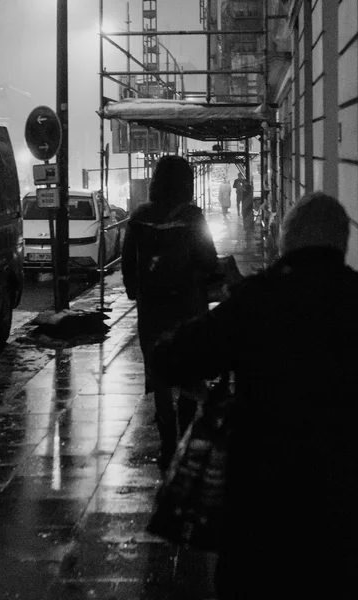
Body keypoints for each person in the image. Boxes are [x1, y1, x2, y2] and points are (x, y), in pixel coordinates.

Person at [154, 191, 358, 599]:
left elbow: (175, 357)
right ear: (341, 244)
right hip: (343, 502)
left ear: (286, 240)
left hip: (264, 506)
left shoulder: (259, 300)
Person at [121, 154, 219, 473]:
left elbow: (127, 262)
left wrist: (135, 290)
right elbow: (208, 259)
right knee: (190, 372)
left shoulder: (139, 216)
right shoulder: (192, 217)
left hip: (152, 310)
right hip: (188, 308)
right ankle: (186, 437)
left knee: (159, 375)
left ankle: (167, 443)